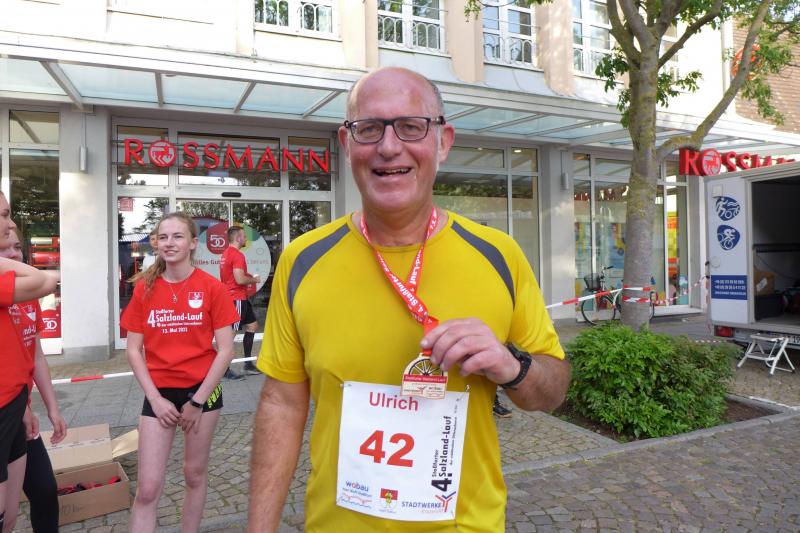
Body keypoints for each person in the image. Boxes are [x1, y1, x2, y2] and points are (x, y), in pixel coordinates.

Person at [248, 68, 570, 531]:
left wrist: (512, 365)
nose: (388, 146)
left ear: (443, 141)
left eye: (411, 126)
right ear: (347, 143)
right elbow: (282, 404)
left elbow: (553, 390)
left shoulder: (499, 255)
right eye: (369, 128)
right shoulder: (303, 260)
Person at [121, 212, 239, 533]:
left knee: (194, 474)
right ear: (156, 243)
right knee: (147, 488)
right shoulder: (144, 288)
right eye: (163, 237)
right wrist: (155, 399)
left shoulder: (212, 288)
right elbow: (133, 350)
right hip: (158, 395)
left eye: (177, 236)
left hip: (202, 394)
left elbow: (226, 351)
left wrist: (197, 402)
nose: (169, 243)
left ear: (193, 243)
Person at [0, 229, 66, 533]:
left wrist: (52, 408)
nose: (14, 254)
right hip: (9, 410)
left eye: (17, 247)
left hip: (20, 411)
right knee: (7, 515)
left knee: (44, 490)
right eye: (5, 248)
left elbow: (36, 355)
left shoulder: (27, 298)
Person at [219, 225, 261, 379]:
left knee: (252, 325)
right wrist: (254, 279)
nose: (246, 239)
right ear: (238, 238)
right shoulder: (237, 255)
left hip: (238, 297)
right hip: (236, 298)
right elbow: (239, 279)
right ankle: (223, 370)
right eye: (244, 236)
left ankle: (248, 364)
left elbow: (231, 276)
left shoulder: (225, 254)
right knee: (230, 334)